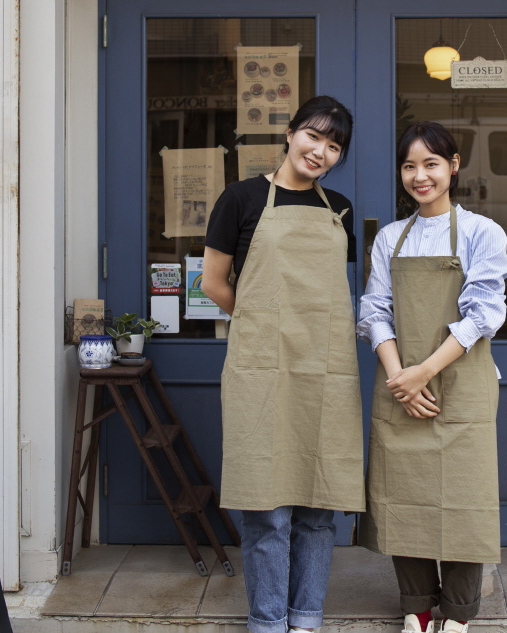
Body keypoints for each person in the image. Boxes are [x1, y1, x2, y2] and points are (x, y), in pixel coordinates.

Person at [202, 96, 364, 633]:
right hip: (262, 368)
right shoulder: (241, 198)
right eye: (313, 136)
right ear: (290, 133)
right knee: (266, 508)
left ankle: (307, 617)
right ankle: (269, 621)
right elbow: (213, 283)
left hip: (325, 370)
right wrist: (262, 323)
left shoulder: (339, 208)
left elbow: (327, 292)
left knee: (318, 507)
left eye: (334, 146)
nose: (320, 151)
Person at [357, 121, 507, 633]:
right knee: (403, 496)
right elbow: (374, 310)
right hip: (400, 384)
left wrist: (422, 371)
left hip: (460, 386)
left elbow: (484, 313)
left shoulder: (482, 232)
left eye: (430, 164)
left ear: (453, 166)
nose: (419, 176)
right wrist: (398, 378)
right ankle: (417, 609)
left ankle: (459, 615)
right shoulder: (389, 238)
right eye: (409, 166)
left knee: (465, 498)